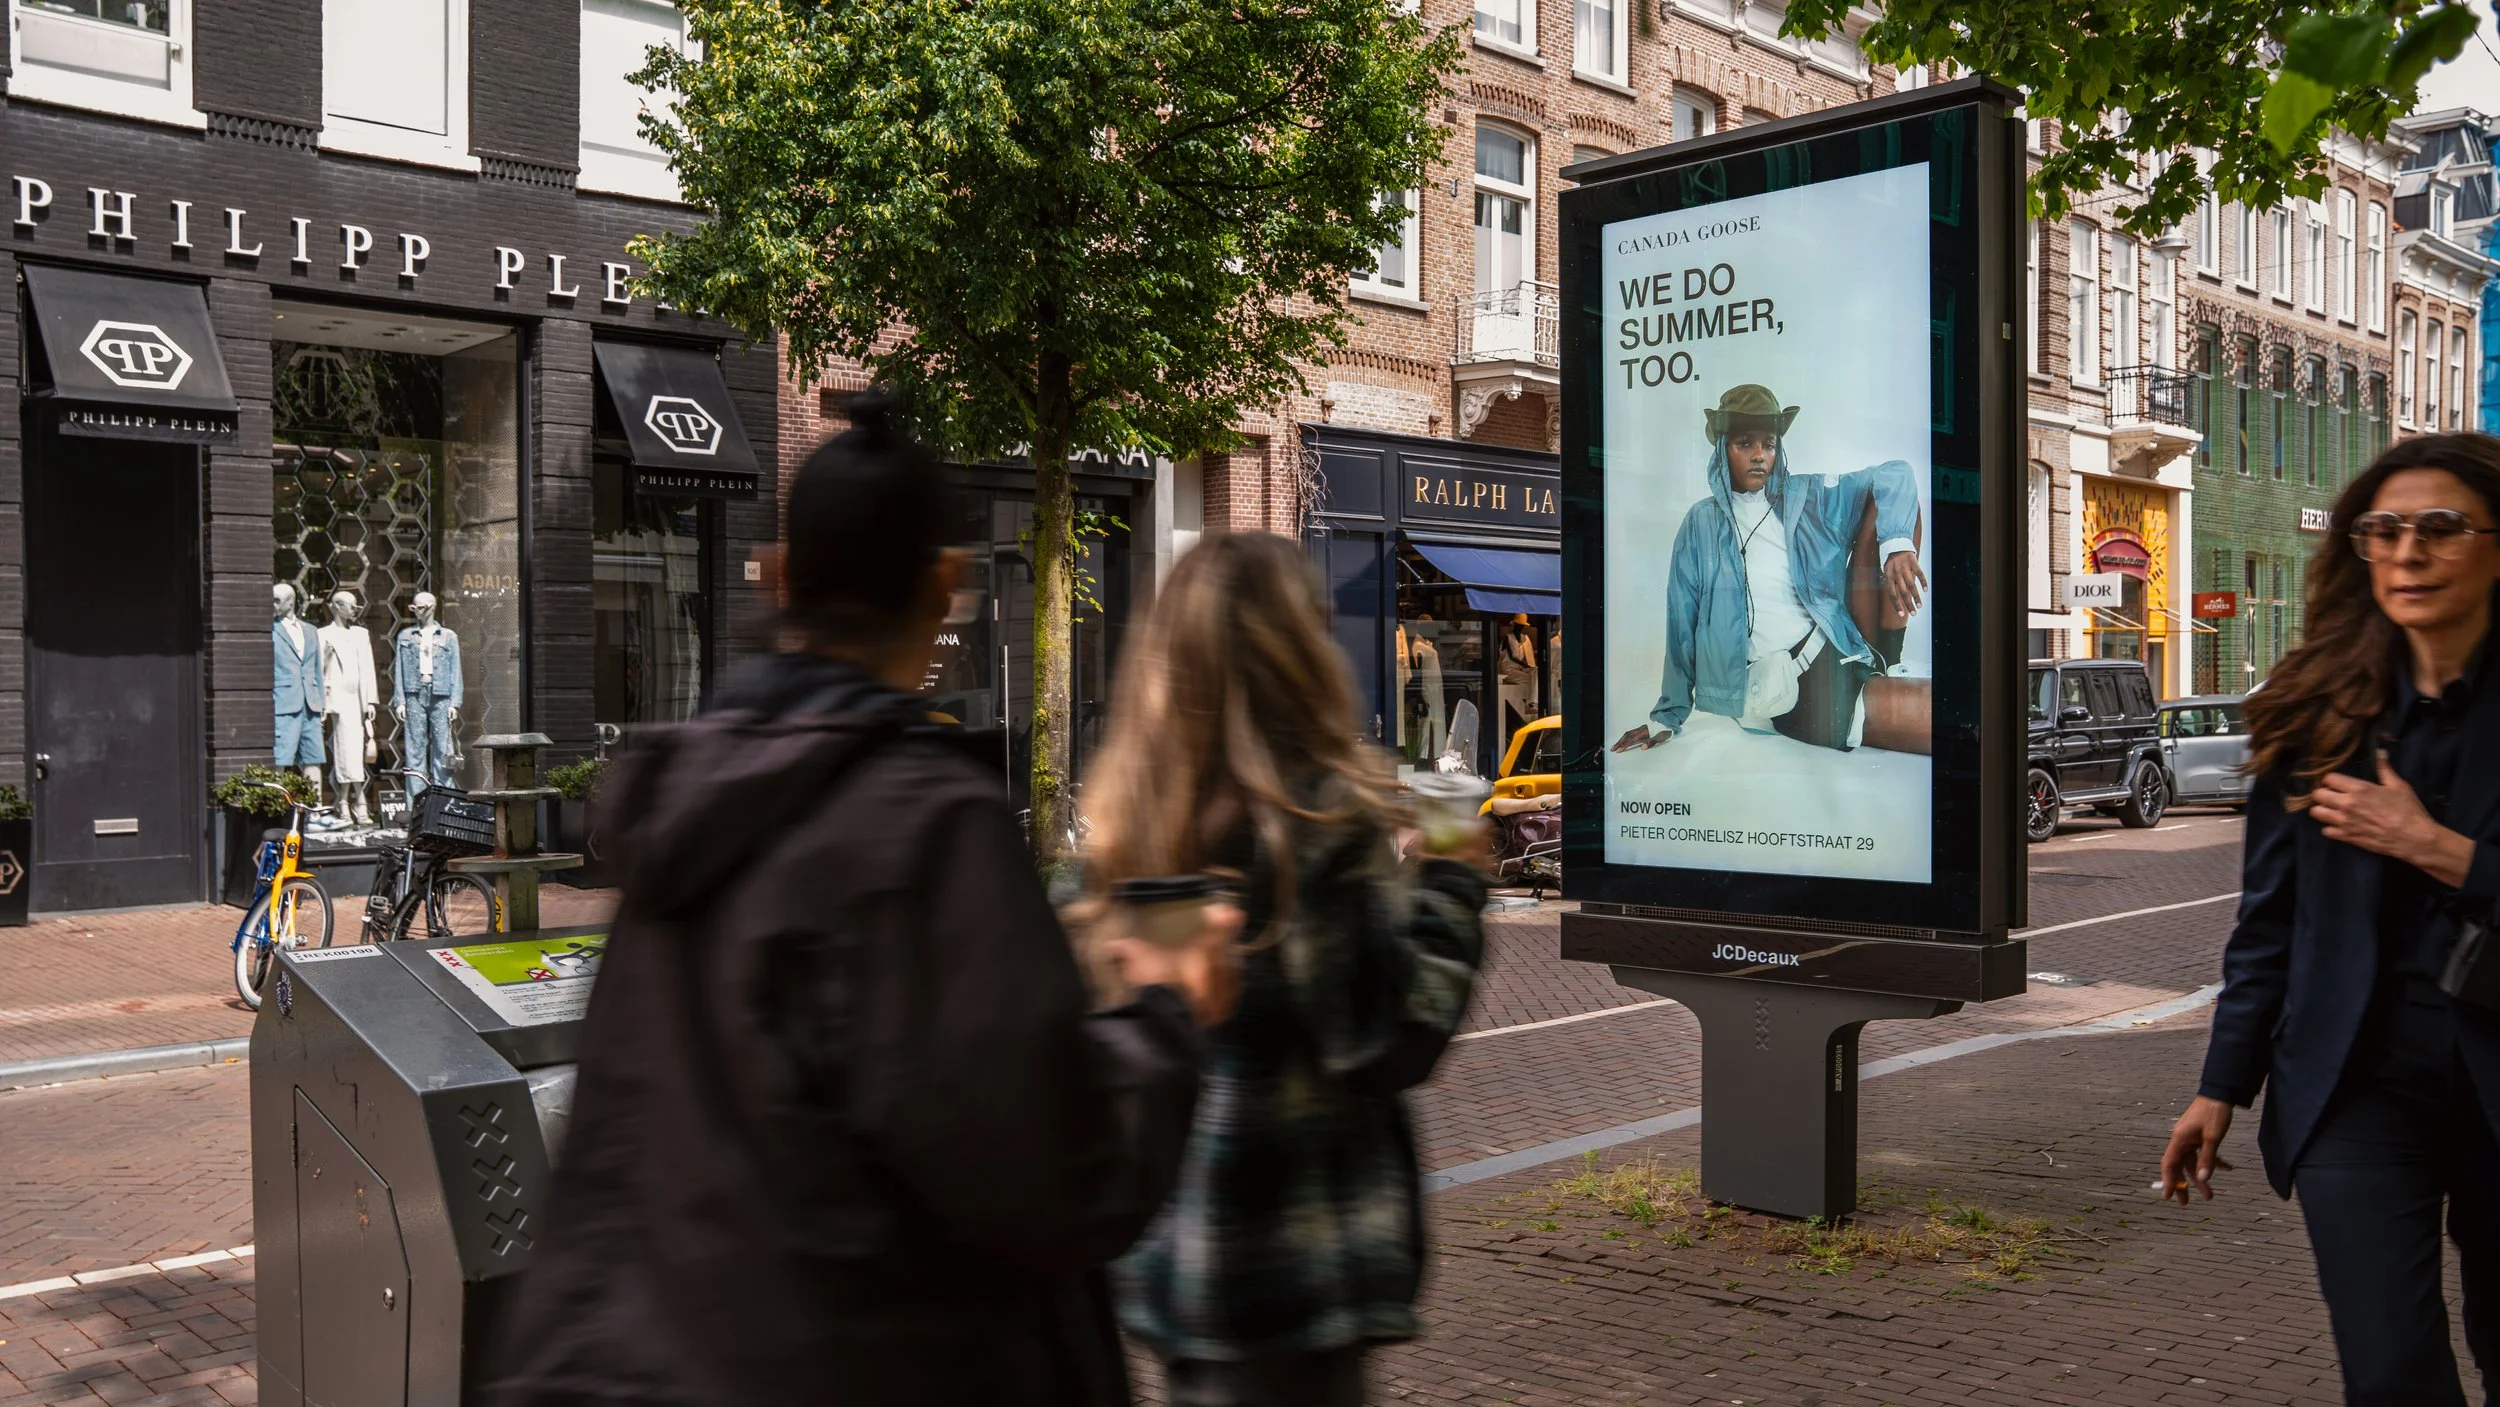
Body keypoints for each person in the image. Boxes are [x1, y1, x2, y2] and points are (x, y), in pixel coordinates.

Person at [488, 396, 1239, 1407]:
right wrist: (1163, 1016)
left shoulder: (676, 819)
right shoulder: (925, 829)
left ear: (782, 578)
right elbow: (1050, 1173)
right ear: (948, 588)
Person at [1083, 532, 1491, 1407]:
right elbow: (1391, 1038)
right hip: (1297, 1267)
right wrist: (1455, 875)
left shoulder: (1128, 826)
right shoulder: (1311, 822)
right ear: (1296, 648)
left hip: (1176, 1259)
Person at [2161, 432, 2500, 1406]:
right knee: (2389, 1373)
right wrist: (2220, 1084)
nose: (2405, 552)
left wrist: (2436, 847)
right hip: (2355, 1086)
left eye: (2440, 528)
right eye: (2380, 531)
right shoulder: (2319, 708)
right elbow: (2267, 925)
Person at [1611, 383, 1930, 757]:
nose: (1760, 455)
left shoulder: (1805, 496)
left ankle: (1888, 663)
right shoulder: (1701, 524)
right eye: (1745, 443)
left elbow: (1894, 474)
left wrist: (1897, 546)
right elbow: (1682, 623)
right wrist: (1667, 715)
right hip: (1803, 689)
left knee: (1895, 510)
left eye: (1769, 444)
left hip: (1844, 643)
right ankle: (1879, 679)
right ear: (1723, 449)